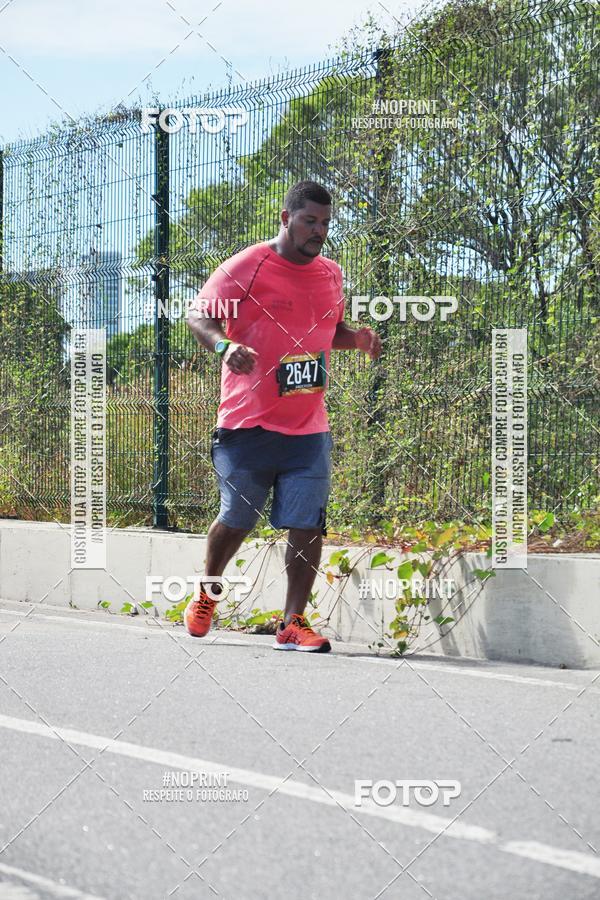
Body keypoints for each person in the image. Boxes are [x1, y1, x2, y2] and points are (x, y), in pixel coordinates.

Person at [185, 180, 381, 652]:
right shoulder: (248, 265)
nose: (319, 231)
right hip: (247, 423)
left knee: (308, 522)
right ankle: (208, 592)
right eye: (310, 221)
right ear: (286, 218)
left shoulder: (331, 274)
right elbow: (198, 315)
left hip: (308, 426)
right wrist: (225, 346)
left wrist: (355, 339)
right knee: (238, 518)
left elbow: (329, 330)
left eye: (326, 223)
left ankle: (292, 622)